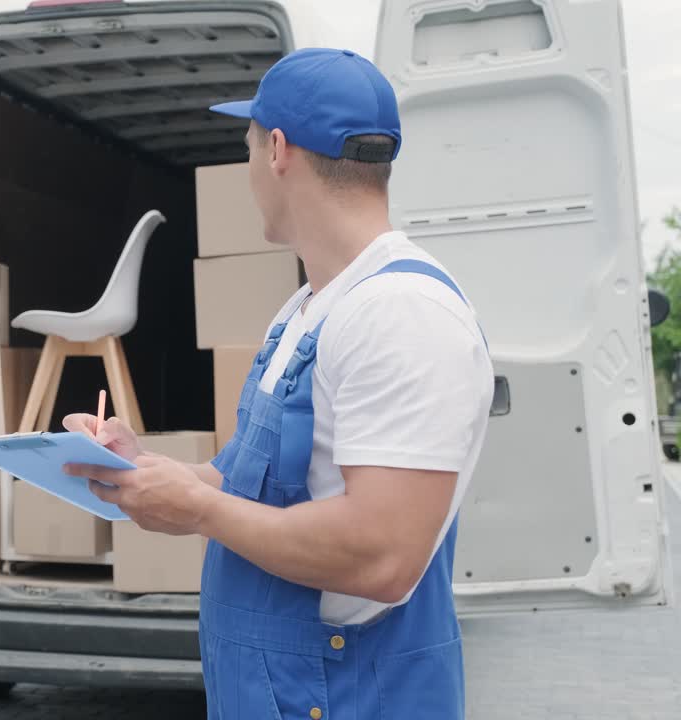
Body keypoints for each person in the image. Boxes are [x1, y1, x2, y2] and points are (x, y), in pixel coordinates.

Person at [64, 48, 494, 719]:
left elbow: (382, 555)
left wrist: (199, 511)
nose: (248, 172)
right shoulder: (306, 311)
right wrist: (141, 467)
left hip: (348, 695)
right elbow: (241, 483)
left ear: (278, 151)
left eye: (246, 149)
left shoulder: (403, 313)